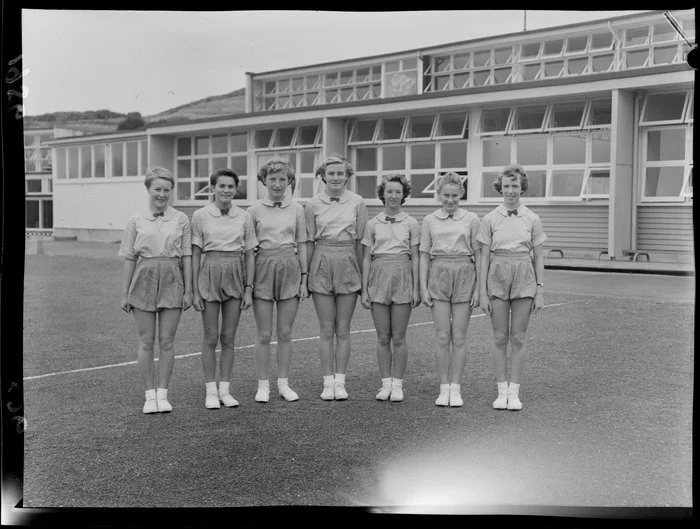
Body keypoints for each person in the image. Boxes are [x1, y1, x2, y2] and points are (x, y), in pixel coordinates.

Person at [119, 166, 192, 414]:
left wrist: (189, 289)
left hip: (172, 278)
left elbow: (188, 256)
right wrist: (125, 293)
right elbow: (129, 258)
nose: (162, 194)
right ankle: (149, 396)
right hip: (144, 278)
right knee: (146, 341)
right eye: (157, 189)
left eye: (167, 190)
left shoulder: (181, 219)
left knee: (167, 341)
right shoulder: (135, 220)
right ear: (148, 189)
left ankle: (163, 393)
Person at [478, 164, 546, 411]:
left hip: (523, 275)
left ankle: (514, 392)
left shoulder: (532, 218)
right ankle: (501, 390)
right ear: (500, 188)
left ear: (522, 187)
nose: (510, 191)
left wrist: (539, 288)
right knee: (499, 336)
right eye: (506, 186)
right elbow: (484, 257)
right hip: (497, 274)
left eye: (514, 186)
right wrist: (482, 291)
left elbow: (538, 256)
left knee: (518, 336)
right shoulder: (489, 218)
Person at [191, 169, 257, 409]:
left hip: (235, 272)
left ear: (235, 189)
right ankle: (210, 391)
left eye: (231, 186)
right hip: (209, 272)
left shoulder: (244, 216)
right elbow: (195, 252)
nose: (226, 190)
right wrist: (194, 289)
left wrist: (248, 288)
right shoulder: (200, 215)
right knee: (210, 337)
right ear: (213, 188)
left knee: (228, 337)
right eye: (222, 186)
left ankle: (225, 390)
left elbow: (250, 252)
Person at [306, 154, 368, 400]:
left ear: (347, 176)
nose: (335, 177)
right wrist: (307, 274)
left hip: (347, 259)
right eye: (330, 173)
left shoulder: (357, 201)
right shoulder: (312, 204)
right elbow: (309, 240)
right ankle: (327, 381)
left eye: (340, 173)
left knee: (343, 328)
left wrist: (363, 277)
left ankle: (340, 382)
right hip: (321, 259)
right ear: (323, 176)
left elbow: (362, 241)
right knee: (325, 328)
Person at [248, 159, 309, 403]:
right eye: (272, 179)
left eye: (282, 179)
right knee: (264, 333)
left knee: (285, 332)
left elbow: (302, 243)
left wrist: (304, 278)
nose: (277, 183)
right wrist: (249, 284)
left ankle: (283, 383)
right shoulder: (253, 211)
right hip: (263, 266)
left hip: (289, 267)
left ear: (289, 182)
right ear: (264, 181)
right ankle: (263, 385)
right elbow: (249, 248)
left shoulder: (297, 209)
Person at [419, 172, 480, 407]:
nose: (450, 200)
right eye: (446, 195)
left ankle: (456, 388)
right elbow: (424, 254)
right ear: (439, 195)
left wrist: (478, 289)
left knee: (459, 336)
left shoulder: (472, 219)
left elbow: (479, 254)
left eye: (455, 195)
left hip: (465, 272)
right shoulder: (430, 220)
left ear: (462, 194)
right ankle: (443, 388)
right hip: (439, 273)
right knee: (442, 335)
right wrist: (423, 287)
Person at [360, 175, 420, 402]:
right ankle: (385, 384)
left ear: (404, 195)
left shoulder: (411, 223)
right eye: (389, 191)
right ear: (382, 194)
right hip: (379, 276)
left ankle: (398, 385)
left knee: (399, 336)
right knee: (383, 336)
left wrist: (415, 288)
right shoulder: (373, 224)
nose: (393, 196)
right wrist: (365, 289)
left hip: (403, 275)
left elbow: (415, 257)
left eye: (398, 192)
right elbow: (366, 258)